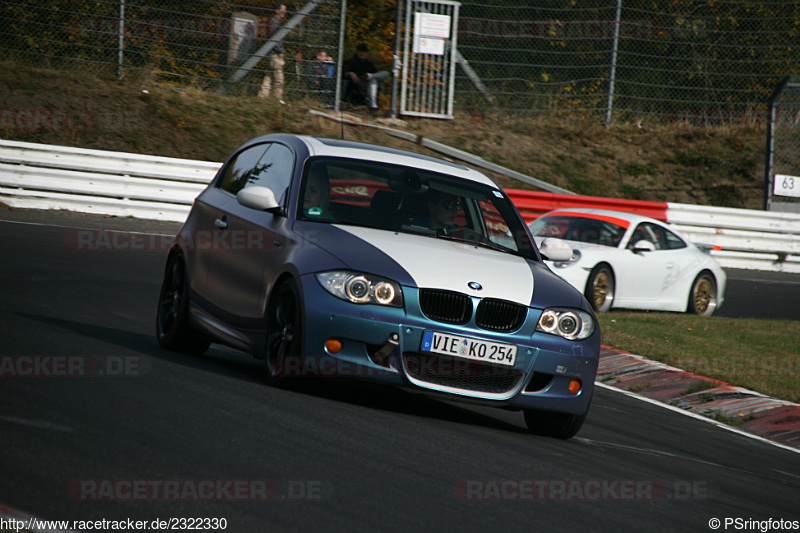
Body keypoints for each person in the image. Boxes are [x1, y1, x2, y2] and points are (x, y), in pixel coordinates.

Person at [342, 43, 390, 112]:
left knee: (385, 73)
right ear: (357, 51)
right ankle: (373, 106)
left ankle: (369, 76)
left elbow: (376, 73)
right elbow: (344, 74)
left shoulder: (369, 64)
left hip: (372, 82)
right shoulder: (350, 62)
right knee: (372, 81)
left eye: (364, 51)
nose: (363, 53)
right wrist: (351, 73)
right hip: (359, 82)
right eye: (361, 51)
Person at [258, 3, 287, 104]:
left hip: (272, 52)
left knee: (269, 76)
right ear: (277, 11)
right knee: (279, 77)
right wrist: (280, 51)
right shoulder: (274, 22)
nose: (285, 12)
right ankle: (277, 99)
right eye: (283, 10)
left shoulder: (275, 22)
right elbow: (274, 38)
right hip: (275, 53)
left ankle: (263, 96)